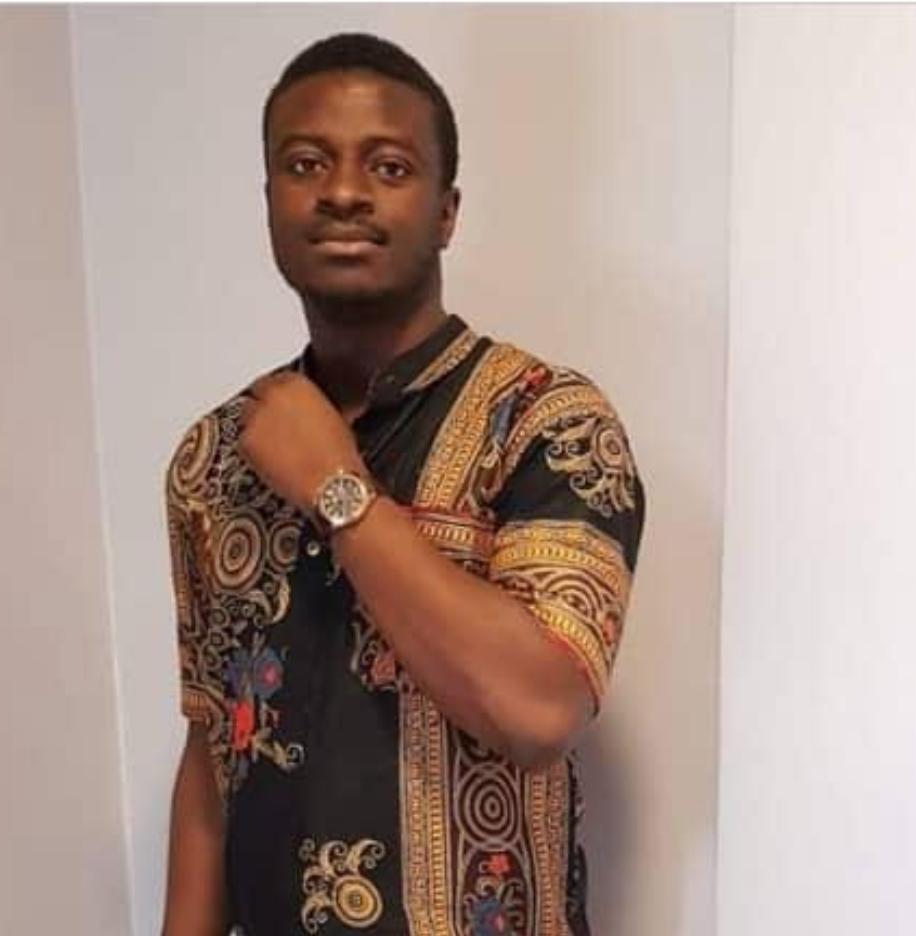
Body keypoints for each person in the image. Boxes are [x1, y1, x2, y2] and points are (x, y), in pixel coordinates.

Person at [161, 32, 645, 936]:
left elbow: (540, 708)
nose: (342, 191)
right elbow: (210, 752)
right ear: (268, 202)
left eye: (388, 166)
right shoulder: (212, 458)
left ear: (446, 212)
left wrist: (335, 486)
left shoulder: (546, 422)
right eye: (306, 163)